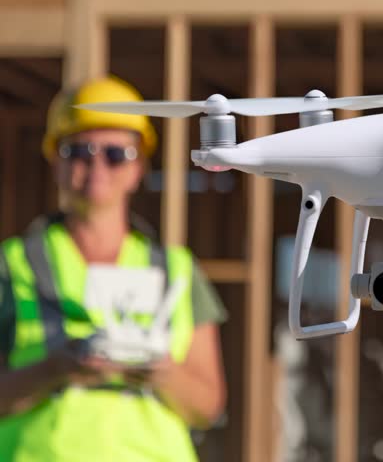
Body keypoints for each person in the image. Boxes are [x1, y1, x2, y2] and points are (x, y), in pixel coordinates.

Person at [0, 76, 227, 462]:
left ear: (140, 167)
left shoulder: (179, 270)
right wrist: (55, 369)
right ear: (56, 161)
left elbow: (209, 406)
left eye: (116, 153)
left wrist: (161, 372)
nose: (96, 165)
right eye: (79, 151)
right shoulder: (12, 264)